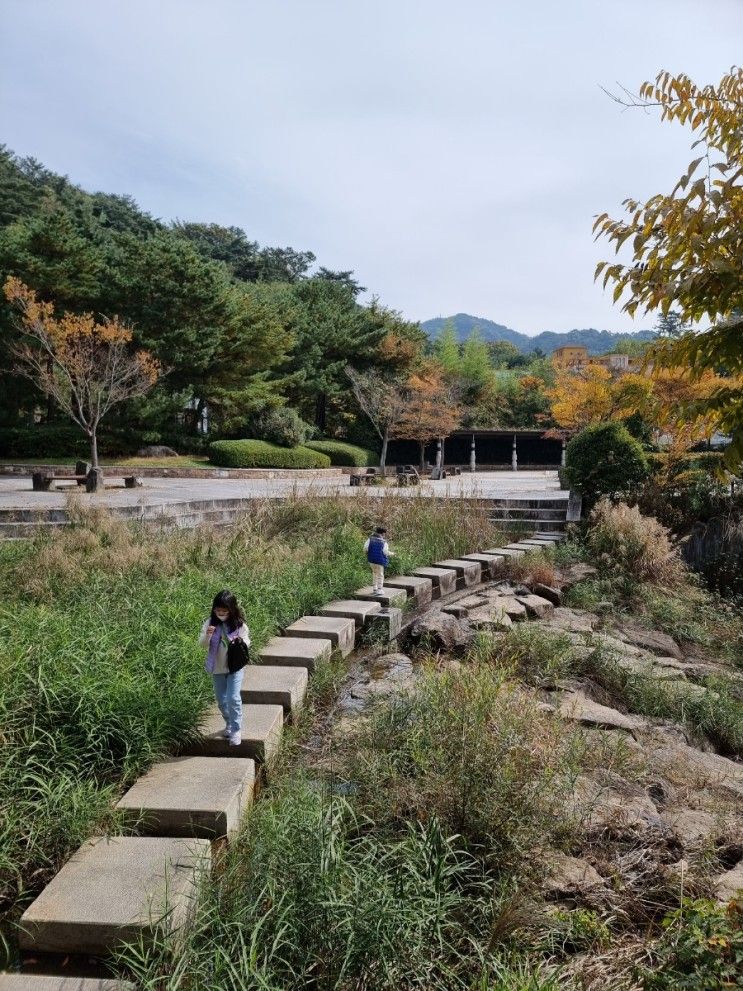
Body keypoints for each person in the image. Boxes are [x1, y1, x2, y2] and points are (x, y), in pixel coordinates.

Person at [199, 589, 251, 746]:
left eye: (224, 610)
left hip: (234, 667)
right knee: (221, 701)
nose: (220, 613)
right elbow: (202, 645)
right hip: (217, 668)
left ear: (231, 609)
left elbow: (247, 642)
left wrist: (240, 641)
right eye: (218, 610)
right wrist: (207, 636)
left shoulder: (239, 625)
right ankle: (228, 723)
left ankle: (236, 729)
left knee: (233, 698)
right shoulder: (209, 623)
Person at [364, 526, 393, 594]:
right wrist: (392, 554)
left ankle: (374, 588)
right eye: (384, 534)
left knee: (374, 573)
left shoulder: (370, 539)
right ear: (382, 533)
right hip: (379, 561)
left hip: (371, 560)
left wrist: (367, 554)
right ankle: (380, 589)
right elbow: (385, 552)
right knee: (380, 575)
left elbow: (365, 548)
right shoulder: (383, 542)